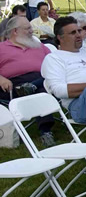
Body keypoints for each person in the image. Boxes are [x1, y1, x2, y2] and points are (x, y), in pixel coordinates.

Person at [0, 16, 55, 146]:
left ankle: (31, 86)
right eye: (28, 28)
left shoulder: (38, 46)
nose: (32, 30)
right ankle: (45, 131)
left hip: (43, 78)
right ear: (15, 31)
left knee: (42, 85)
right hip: (13, 84)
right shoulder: (2, 48)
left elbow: (54, 61)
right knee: (42, 90)